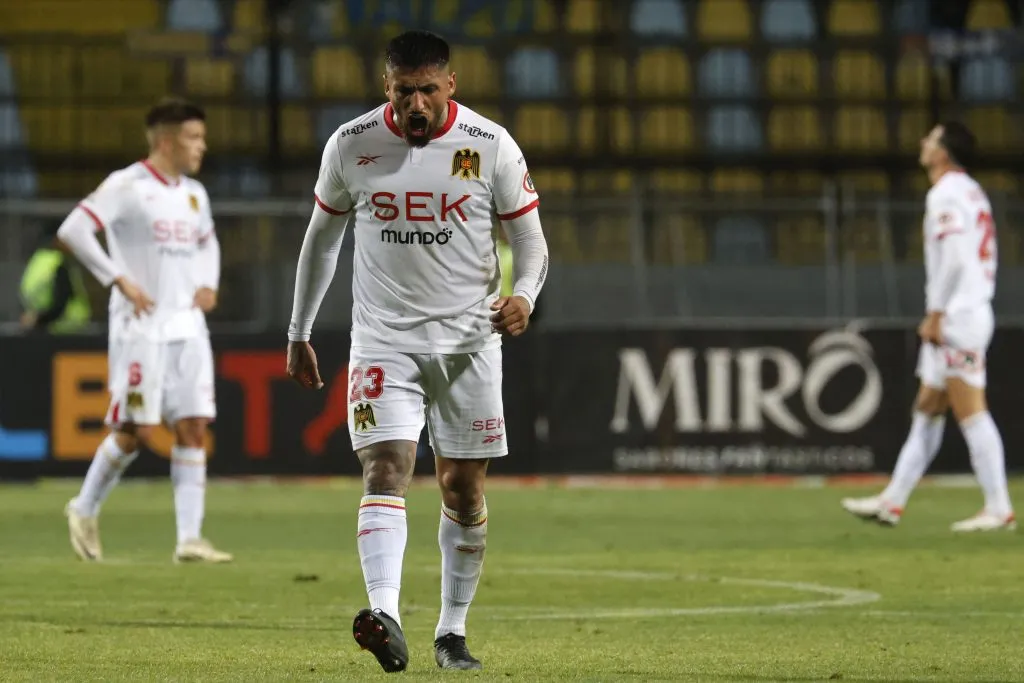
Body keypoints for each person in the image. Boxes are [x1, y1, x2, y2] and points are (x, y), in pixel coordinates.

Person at [286, 30, 549, 673]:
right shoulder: (351, 145)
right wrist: (299, 331)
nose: (418, 104)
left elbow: (532, 242)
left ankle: (451, 633)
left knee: (461, 490)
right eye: (406, 91)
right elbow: (322, 241)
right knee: (387, 467)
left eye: (429, 89)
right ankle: (385, 615)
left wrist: (526, 295)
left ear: (450, 85)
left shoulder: (490, 146)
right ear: (388, 88)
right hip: (385, 342)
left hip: (470, 343)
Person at [57, 98, 232, 563]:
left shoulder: (195, 193)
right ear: (167, 141)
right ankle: (83, 507)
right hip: (142, 328)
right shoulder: (127, 186)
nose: (202, 146)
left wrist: (208, 285)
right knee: (133, 429)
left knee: (193, 426)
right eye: (194, 138)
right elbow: (74, 230)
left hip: (188, 326)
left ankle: (189, 539)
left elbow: (206, 241)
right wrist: (118, 278)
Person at [841, 122, 1015, 532]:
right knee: (927, 409)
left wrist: (936, 313)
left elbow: (955, 257)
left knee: (971, 411)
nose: (923, 143)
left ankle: (998, 507)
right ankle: (892, 501)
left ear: (944, 152)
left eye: (931, 139)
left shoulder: (947, 193)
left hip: (958, 317)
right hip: (963, 312)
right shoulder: (972, 191)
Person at [19, 221, 92, 334]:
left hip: (40, 330)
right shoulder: (59, 264)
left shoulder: (37, 261)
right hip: (68, 331)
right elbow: (61, 302)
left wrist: (34, 319)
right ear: (58, 239)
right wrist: (40, 319)